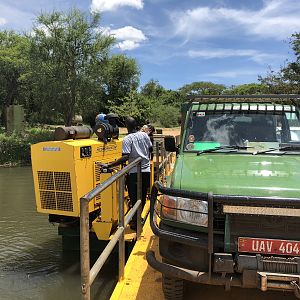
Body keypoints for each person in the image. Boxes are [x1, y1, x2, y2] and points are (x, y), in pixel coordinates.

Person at [103, 117, 153, 230]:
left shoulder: (127, 139)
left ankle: (135, 222)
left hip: (135, 172)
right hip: (146, 170)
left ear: (127, 126)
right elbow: (150, 150)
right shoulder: (144, 135)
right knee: (143, 195)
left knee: (134, 197)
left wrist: (109, 165)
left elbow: (125, 157)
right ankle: (138, 218)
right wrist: (147, 160)